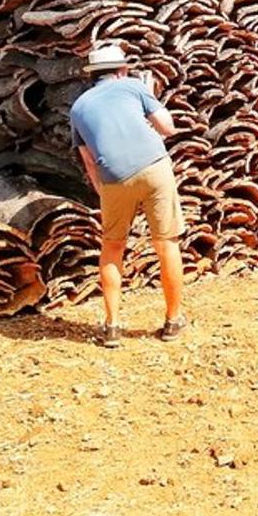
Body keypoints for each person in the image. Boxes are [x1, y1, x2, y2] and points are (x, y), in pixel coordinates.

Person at [69, 44, 187, 347]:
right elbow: (169, 128)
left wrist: (104, 190)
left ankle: (112, 327)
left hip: (113, 178)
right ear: (121, 70)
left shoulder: (78, 108)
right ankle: (173, 321)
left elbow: (89, 161)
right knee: (166, 244)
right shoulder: (134, 86)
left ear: (93, 76)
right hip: (154, 167)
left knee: (112, 248)